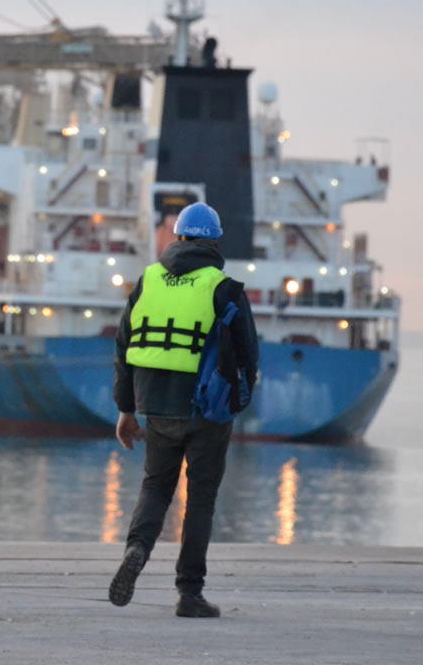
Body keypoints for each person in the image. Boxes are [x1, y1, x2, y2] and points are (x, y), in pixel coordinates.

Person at [107, 201, 260, 618]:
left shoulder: (148, 280)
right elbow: (249, 355)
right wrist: (238, 400)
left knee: (156, 487)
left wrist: (126, 410)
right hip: (208, 411)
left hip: (155, 407)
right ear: (214, 240)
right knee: (201, 500)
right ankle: (189, 593)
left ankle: (136, 549)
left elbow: (124, 347)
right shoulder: (223, 287)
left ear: (177, 237)